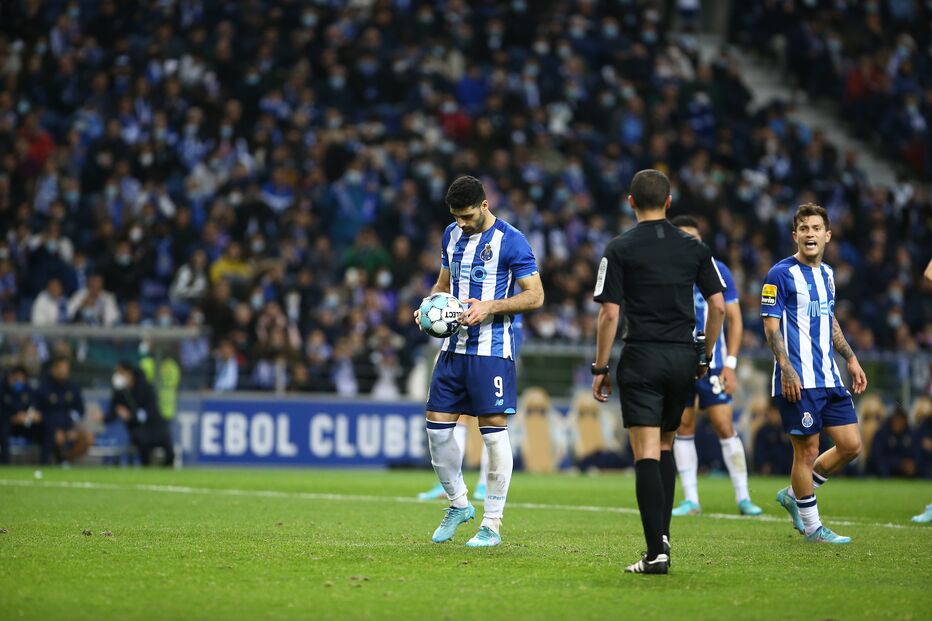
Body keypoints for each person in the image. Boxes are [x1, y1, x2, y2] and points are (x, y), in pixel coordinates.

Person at [591, 169, 726, 575]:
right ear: (669, 203)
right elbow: (718, 305)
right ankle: (662, 538)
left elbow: (609, 313)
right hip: (683, 356)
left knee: (646, 452)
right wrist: (706, 354)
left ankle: (656, 553)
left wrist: (600, 366)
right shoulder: (694, 248)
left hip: (643, 356)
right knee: (667, 445)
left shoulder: (619, 248)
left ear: (630, 202)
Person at [414, 175, 544, 547]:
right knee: (436, 430)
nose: (462, 223)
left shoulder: (511, 241)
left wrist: (490, 307)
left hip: (490, 351)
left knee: (492, 434)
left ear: (485, 206)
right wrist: (427, 309)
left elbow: (535, 296)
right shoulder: (450, 235)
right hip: (453, 351)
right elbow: (442, 285)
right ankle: (458, 504)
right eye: (456, 217)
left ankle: (492, 523)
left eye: (468, 216)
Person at [762, 203, 868, 544]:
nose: (810, 234)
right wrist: (787, 369)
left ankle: (796, 494)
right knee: (806, 451)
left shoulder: (828, 275)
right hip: (799, 379)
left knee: (851, 445)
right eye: (804, 228)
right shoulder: (779, 274)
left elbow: (829, 320)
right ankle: (812, 527)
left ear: (827, 235)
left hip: (829, 376)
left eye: (816, 228)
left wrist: (850, 358)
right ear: (795, 235)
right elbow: (770, 326)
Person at [668, 216, 762, 517]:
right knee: (683, 425)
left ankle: (743, 497)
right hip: (678, 362)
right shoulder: (667, 270)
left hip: (714, 362)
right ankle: (691, 499)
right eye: (683, 237)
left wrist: (730, 364)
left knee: (724, 423)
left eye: (694, 237)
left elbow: (733, 319)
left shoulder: (717, 269)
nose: (689, 242)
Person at [416, 315, 523, 502]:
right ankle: (449, 484)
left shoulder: (507, 291)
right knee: (458, 418)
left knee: (492, 422)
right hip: (459, 350)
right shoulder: (459, 288)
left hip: (496, 352)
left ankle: (484, 483)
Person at [107, 361, 175, 466]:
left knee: (167, 445)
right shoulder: (118, 392)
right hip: (137, 429)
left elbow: (152, 410)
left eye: (120, 373)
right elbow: (113, 412)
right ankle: (146, 467)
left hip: (154, 426)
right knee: (142, 441)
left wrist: (132, 416)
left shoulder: (144, 387)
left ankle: (167, 470)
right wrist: (103, 417)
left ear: (129, 373)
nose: (117, 376)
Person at [34, 356, 94, 465]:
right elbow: (38, 412)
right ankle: (53, 461)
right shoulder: (44, 387)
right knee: (58, 437)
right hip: (48, 428)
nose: (64, 372)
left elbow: (80, 409)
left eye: (66, 369)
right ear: (53, 369)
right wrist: (53, 429)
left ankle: (66, 460)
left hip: (69, 426)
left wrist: (72, 424)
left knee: (89, 438)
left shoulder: (72, 387)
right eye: (61, 369)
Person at [0, 366, 40, 464]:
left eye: (21, 378)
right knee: (4, 429)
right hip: (7, 423)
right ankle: (5, 463)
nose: (18, 381)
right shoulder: (2, 389)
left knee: (44, 427)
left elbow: (35, 406)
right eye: (16, 378)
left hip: (25, 423)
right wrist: (13, 418)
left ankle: (45, 463)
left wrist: (30, 415)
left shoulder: (28, 390)